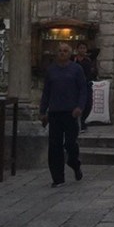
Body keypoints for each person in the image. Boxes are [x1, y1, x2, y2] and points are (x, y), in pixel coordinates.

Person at [39, 43, 88, 186]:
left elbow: (83, 90)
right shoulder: (51, 70)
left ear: (70, 53)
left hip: (71, 113)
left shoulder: (76, 69)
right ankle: (57, 177)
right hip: (55, 112)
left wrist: (80, 107)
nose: (62, 53)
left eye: (65, 51)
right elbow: (46, 92)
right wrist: (43, 111)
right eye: (60, 51)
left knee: (70, 143)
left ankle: (74, 163)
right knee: (54, 146)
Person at [74, 41, 97, 129]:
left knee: (88, 104)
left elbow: (97, 51)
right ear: (77, 49)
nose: (82, 50)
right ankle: (78, 123)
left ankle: (83, 120)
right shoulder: (74, 60)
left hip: (86, 85)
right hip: (76, 86)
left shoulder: (88, 60)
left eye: (84, 48)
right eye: (80, 48)